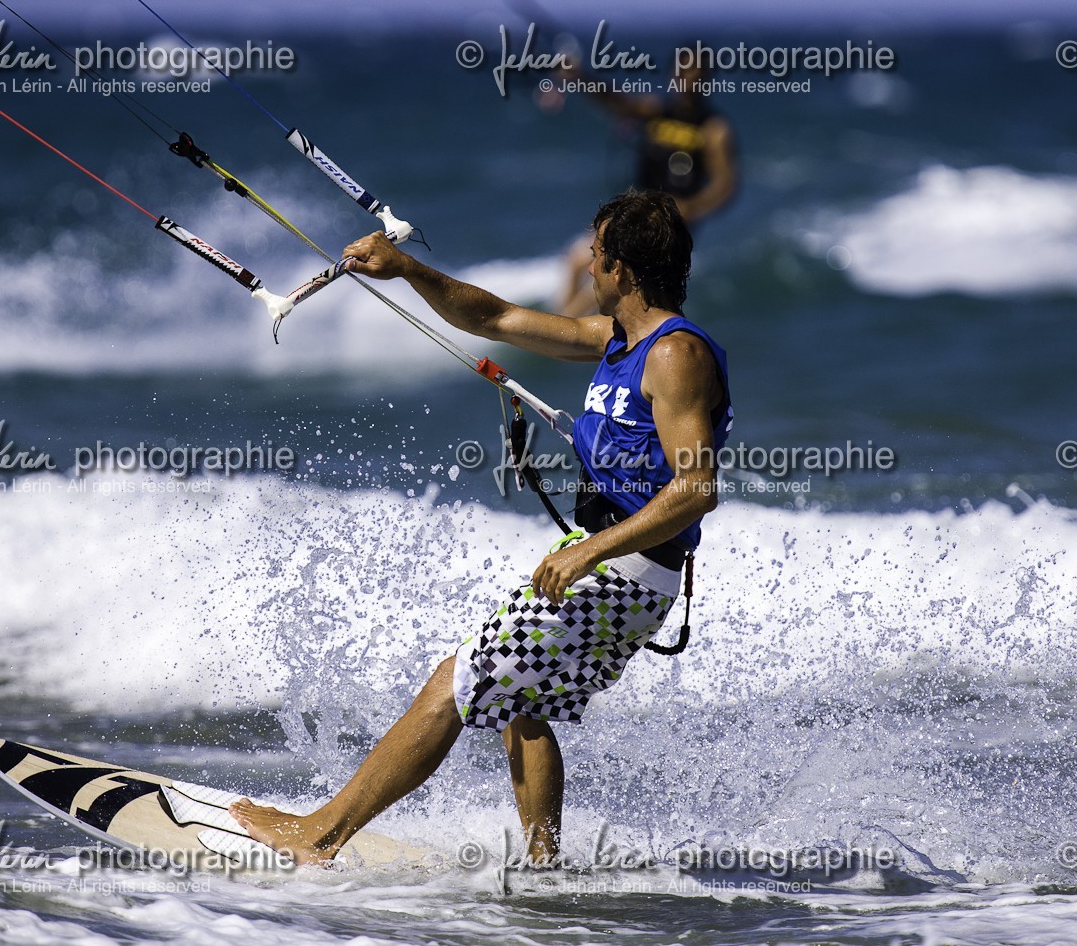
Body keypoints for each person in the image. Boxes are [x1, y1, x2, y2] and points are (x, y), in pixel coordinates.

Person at [230, 189, 733, 866]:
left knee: (456, 679)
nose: (586, 265)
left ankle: (319, 835)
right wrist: (407, 270)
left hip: (627, 569)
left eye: (596, 255)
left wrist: (593, 551)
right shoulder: (619, 341)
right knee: (520, 699)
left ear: (623, 272)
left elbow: (697, 486)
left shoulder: (674, 356)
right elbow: (496, 316)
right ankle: (545, 869)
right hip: (616, 564)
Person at [557, 61, 738, 315]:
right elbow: (615, 100)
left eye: (698, 75)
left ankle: (565, 332)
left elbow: (725, 186)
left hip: (665, 226)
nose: (690, 81)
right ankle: (564, 329)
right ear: (673, 75)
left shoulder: (713, 129)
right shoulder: (656, 111)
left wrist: (691, 208)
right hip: (636, 212)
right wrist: (581, 77)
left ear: (707, 80)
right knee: (576, 259)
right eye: (684, 73)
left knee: (608, 277)